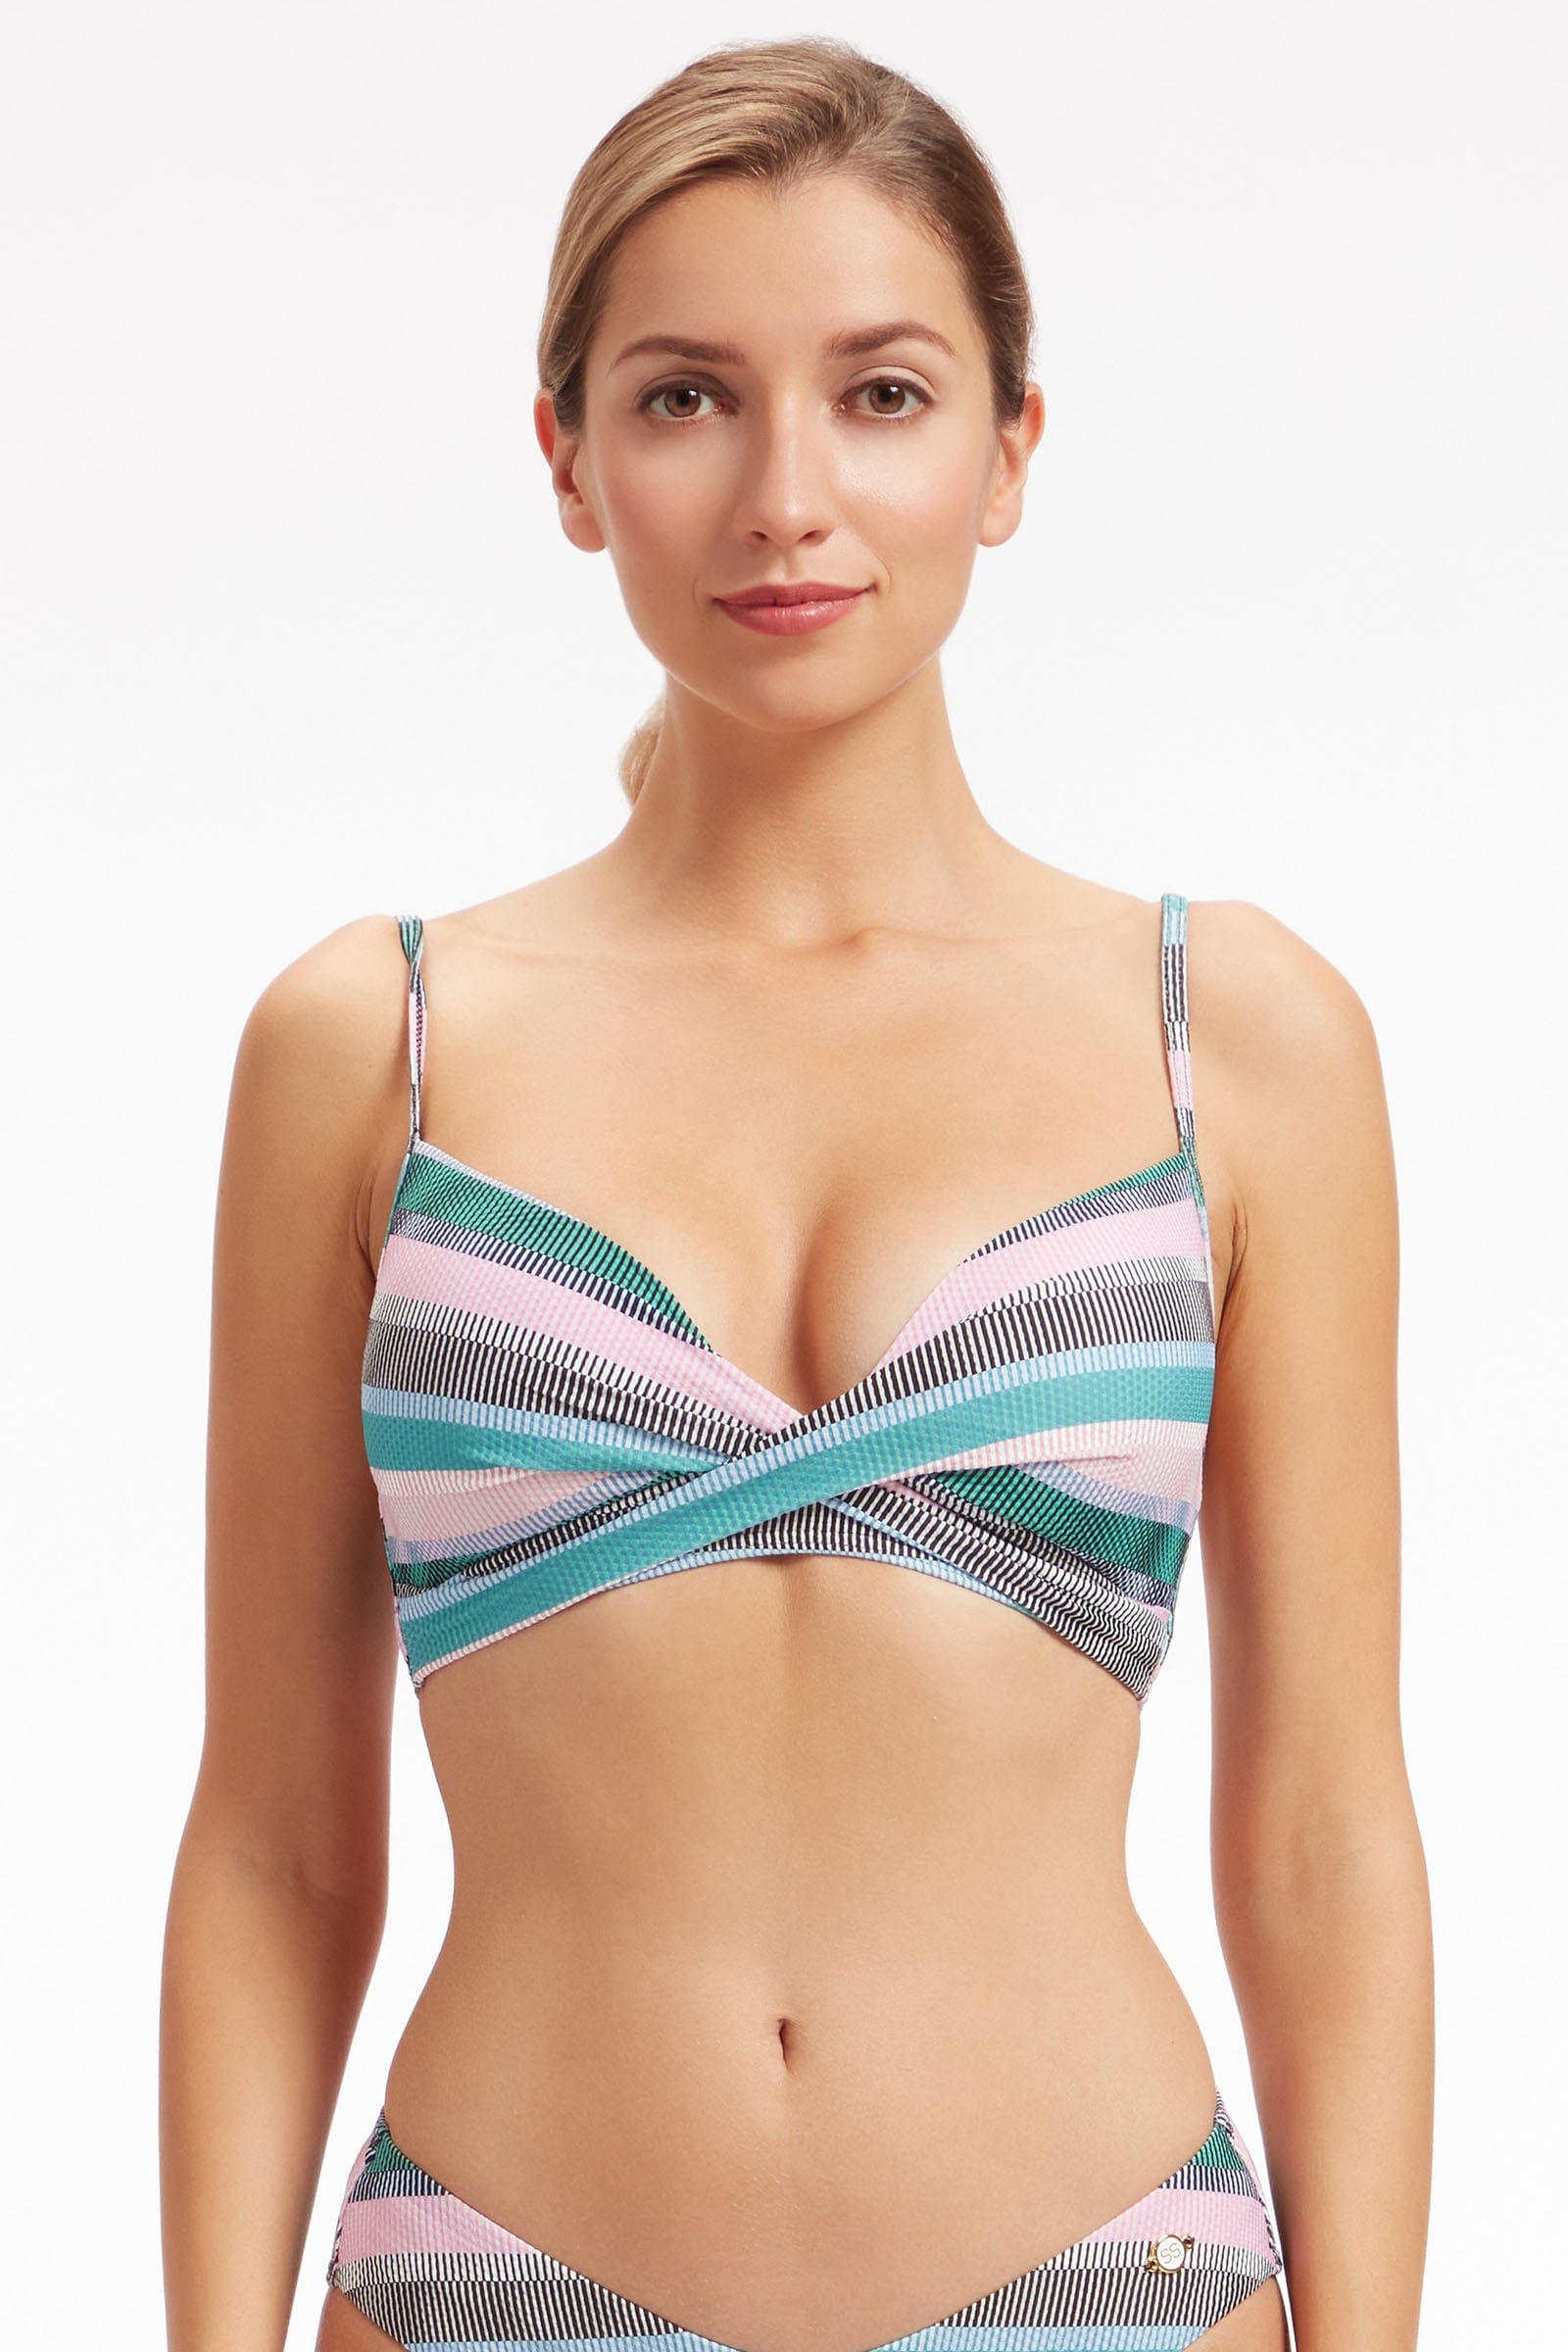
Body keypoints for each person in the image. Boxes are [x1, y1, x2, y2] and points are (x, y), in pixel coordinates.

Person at [160, 36, 1433, 2352]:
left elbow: (1323, 1840)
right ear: (564, 460)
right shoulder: (371, 1047)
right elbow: (270, 1846)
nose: (784, 499)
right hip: (492, 2295)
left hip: (1118, 2296)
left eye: (879, 394)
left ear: (1008, 448)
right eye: (682, 399)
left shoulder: (1234, 1041)